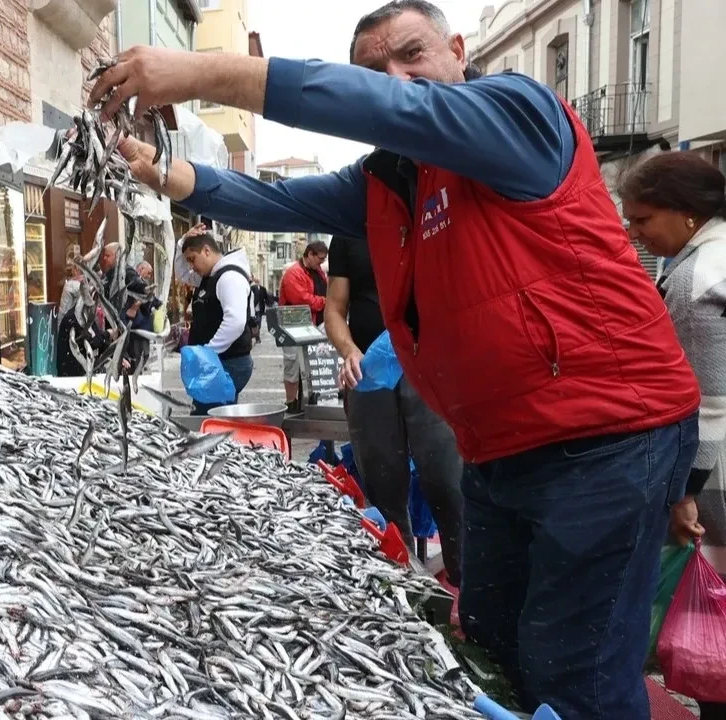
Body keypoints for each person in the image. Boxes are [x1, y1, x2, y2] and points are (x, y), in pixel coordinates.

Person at [88, 1, 701, 715]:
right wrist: (165, 173)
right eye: (375, 70)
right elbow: (282, 200)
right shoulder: (387, 180)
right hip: (500, 447)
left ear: (459, 51)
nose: (397, 78)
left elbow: (392, 106)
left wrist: (196, 73)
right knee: (492, 642)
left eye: (413, 54)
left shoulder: (517, 114)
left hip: (608, 438)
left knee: (576, 673)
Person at [621, 153, 726, 720]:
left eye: (643, 219)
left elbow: (710, 405)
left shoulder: (696, 278)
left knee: (716, 612)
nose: (635, 233)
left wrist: (685, 492)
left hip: (718, 468)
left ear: (687, 213)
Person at [326, 233, 465, 587]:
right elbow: (334, 309)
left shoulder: (431, 215)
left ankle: (468, 586)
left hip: (431, 367)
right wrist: (349, 351)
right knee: (382, 489)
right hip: (368, 375)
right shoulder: (348, 232)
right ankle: (401, 588)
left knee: (448, 483)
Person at [181, 230, 253, 415]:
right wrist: (183, 240)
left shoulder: (229, 277)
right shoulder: (211, 275)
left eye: (192, 259)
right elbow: (182, 274)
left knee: (208, 417)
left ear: (206, 250)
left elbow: (235, 322)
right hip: (218, 361)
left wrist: (208, 352)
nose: (191, 266)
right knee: (212, 416)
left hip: (228, 361)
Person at [278, 240, 329, 413]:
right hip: (293, 326)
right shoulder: (294, 273)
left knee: (311, 363)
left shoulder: (317, 271)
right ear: (310, 254)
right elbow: (303, 300)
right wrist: (325, 302)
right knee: (292, 364)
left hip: (312, 325)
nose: (321, 262)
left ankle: (307, 399)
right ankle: (291, 402)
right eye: (320, 258)